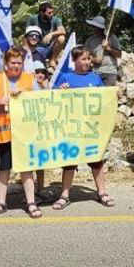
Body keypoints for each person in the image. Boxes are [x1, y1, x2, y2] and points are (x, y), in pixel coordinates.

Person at [50, 45, 114, 209]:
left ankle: (101, 192)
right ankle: (65, 195)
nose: (87, 62)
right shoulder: (65, 77)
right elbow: (52, 100)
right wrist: (60, 91)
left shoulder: (95, 78)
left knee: (96, 160)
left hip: (91, 129)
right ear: (74, 60)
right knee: (70, 162)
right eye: (83, 59)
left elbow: (104, 101)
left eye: (89, 58)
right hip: (71, 129)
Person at [0, 47, 40, 218]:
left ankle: (31, 202)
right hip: (2, 132)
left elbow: (40, 100)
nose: (16, 66)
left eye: (19, 63)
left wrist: (24, 96)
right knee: (3, 168)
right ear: (6, 64)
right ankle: (0, 202)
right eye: (13, 63)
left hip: (24, 132)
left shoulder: (30, 79)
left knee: (26, 167)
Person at [83, 15, 122, 87]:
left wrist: (108, 48)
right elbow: (84, 56)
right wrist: (93, 60)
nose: (95, 29)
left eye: (97, 28)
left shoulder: (112, 37)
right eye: (94, 27)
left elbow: (119, 54)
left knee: (108, 95)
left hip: (110, 72)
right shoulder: (90, 40)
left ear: (102, 28)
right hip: (95, 72)